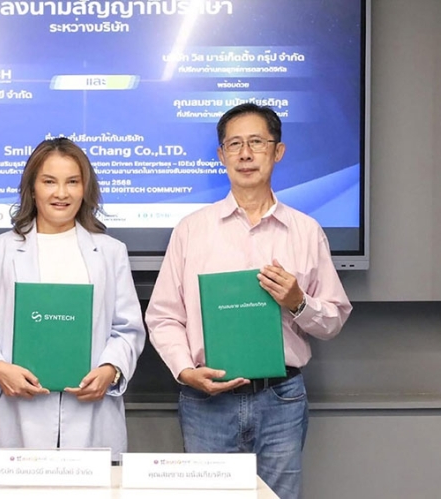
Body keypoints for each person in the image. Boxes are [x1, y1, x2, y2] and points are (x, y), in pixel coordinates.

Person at [145, 103, 352, 498]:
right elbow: (163, 316)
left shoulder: (306, 231)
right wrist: (185, 370)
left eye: (256, 142)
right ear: (221, 155)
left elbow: (334, 319)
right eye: (234, 144)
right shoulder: (191, 230)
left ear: (278, 151)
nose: (245, 154)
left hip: (281, 399)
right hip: (206, 399)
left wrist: (298, 301)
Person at [0, 137, 145, 461]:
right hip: (17, 418)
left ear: (85, 189)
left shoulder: (110, 252)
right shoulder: (0, 249)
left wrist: (111, 369)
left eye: (72, 182)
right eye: (49, 181)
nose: (61, 193)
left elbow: (128, 329)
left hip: (91, 417)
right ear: (32, 188)